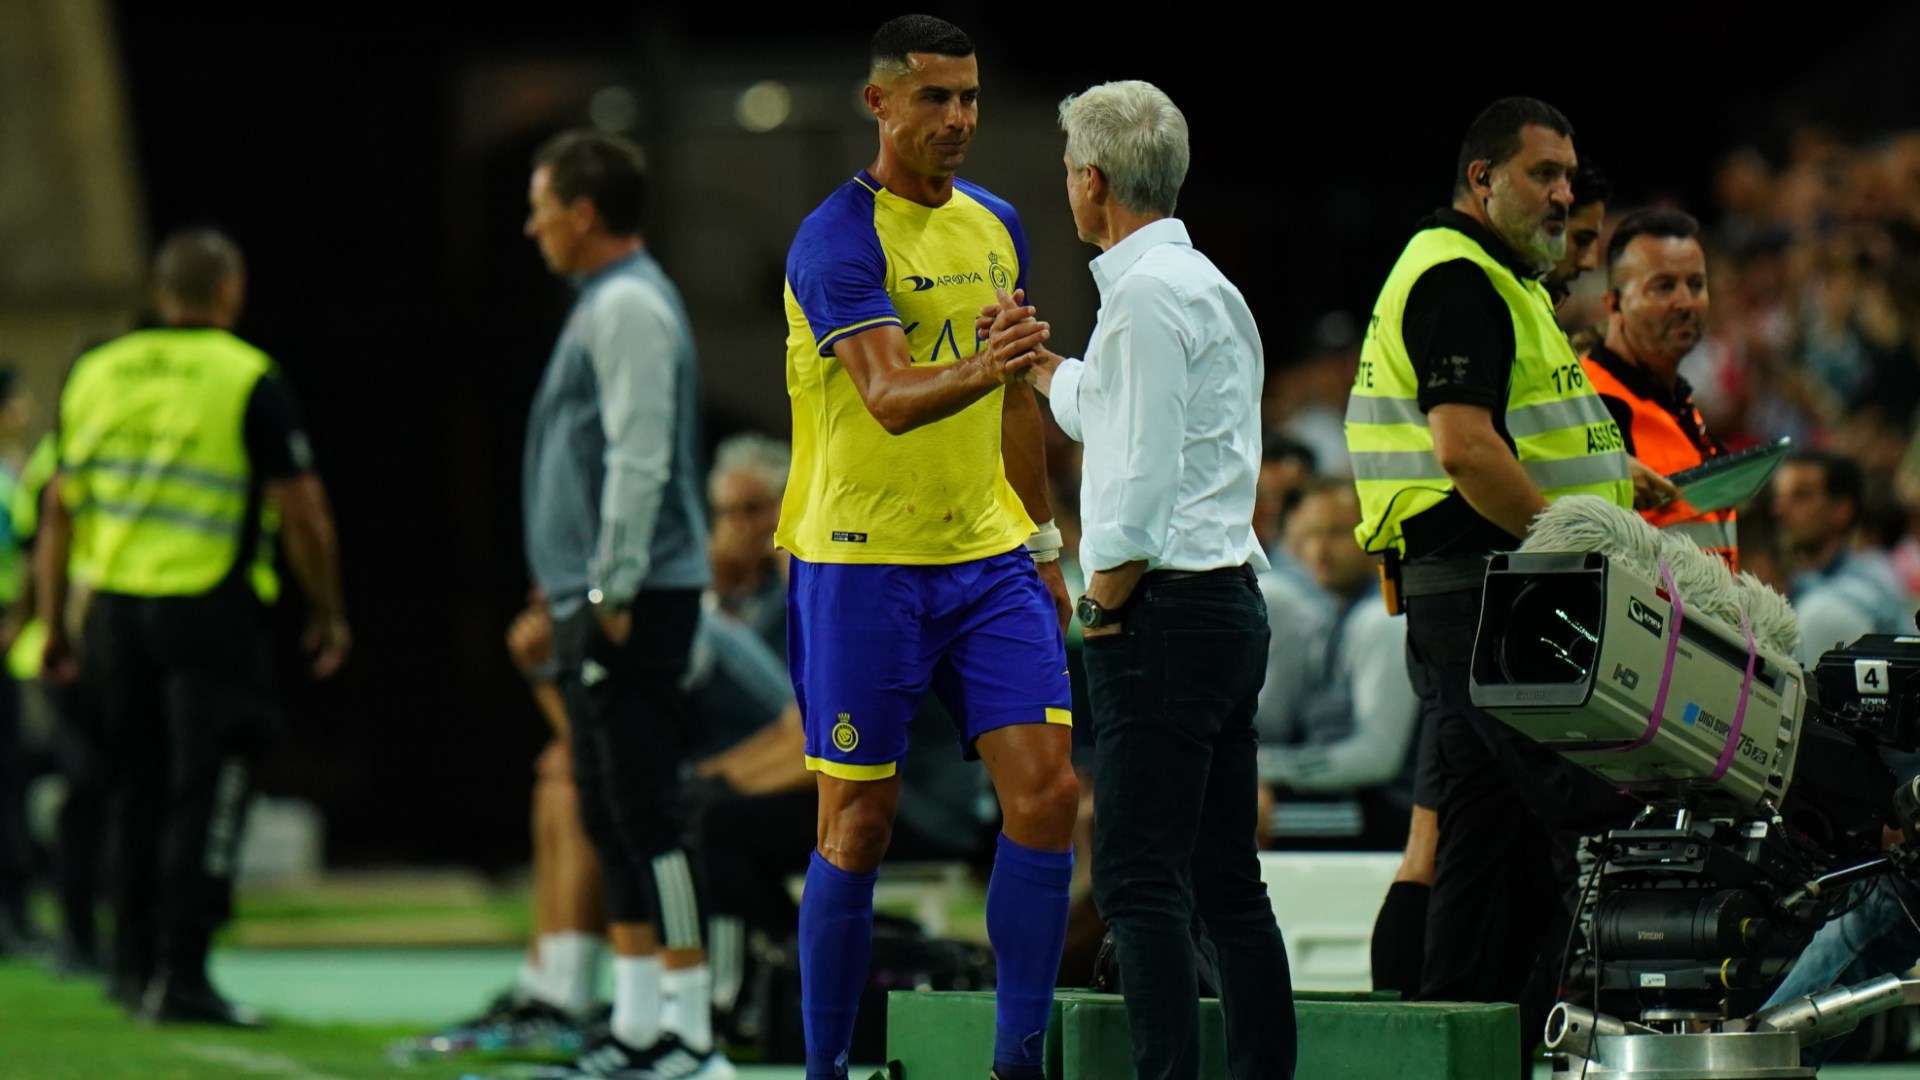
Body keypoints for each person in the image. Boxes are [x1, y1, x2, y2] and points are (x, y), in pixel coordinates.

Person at [778, 16, 1078, 1080]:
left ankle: (1019, 1058)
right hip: (861, 561)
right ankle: (824, 1070)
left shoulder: (995, 225)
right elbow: (892, 397)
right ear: (881, 104)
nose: (957, 118)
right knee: (859, 823)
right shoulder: (836, 240)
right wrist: (994, 363)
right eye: (935, 98)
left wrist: (1044, 544)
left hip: (988, 556)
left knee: (1047, 794)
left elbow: (1012, 408)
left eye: (970, 98)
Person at [1342, 97, 1662, 1066]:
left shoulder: (1502, 279)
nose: (1565, 193)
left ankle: (1471, 1046)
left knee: (1485, 851)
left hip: (1483, 588)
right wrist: (1572, 540)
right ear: (1482, 180)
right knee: (1586, 824)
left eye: (1569, 175)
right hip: (1497, 591)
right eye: (1544, 174)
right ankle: (1548, 1046)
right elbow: (1466, 450)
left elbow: (1518, 435)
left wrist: (1610, 482)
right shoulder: (1460, 277)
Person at [1012, 78, 1295, 1079]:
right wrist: (1050, 371)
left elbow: (1130, 498)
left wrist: (1098, 604)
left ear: (1092, 183)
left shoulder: (1138, 301)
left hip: (1161, 613)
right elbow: (1127, 416)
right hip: (1227, 605)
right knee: (1227, 883)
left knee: (1137, 881)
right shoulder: (1206, 286)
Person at [39, 228, 350, 1024]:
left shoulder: (96, 370)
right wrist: (325, 607)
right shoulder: (246, 376)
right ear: (229, 291)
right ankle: (184, 974)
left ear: (157, 291)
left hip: (113, 609)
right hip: (210, 609)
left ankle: (131, 964)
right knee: (206, 789)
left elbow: (58, 511)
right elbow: (301, 509)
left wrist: (55, 626)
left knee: (132, 788)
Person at [520, 129, 730, 1079]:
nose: (532, 228)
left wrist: (614, 581)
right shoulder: (605, 303)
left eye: (542, 208)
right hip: (602, 594)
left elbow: (640, 451)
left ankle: (692, 1032)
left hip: (634, 597)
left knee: (649, 812)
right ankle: (641, 1024)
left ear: (584, 213)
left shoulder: (631, 306)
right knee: (609, 811)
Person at [1259, 481, 1418, 852]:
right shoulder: (1332, 616)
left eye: (1337, 533)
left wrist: (1261, 768)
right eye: (1309, 535)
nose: (1320, 550)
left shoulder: (1383, 622)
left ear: (1373, 535)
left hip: (1378, 808)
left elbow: (1377, 758)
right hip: (1341, 798)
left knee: (1220, 815)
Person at [1582, 209, 1740, 566]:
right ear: (1614, 303)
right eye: (1664, 286)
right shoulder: (1593, 402)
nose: (1685, 302)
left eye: (1696, 284)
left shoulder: (1679, 401)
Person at [1771, 451, 1912, 666]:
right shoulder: (1793, 581)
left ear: (1841, 510)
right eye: (1779, 496)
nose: (1779, 510)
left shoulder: (1864, 590)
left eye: (1801, 495)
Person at [705, 433, 790, 656]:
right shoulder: (709, 579)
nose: (740, 527)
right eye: (728, 512)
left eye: (753, 509)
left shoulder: (797, 573)